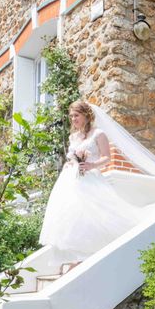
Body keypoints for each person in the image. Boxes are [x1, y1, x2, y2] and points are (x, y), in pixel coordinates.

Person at [39, 101, 140, 265]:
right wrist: (69, 163)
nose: (73, 119)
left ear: (86, 115)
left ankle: (94, 252)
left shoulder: (98, 134)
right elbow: (72, 157)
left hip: (90, 178)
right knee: (71, 215)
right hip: (70, 180)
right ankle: (76, 256)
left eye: (76, 115)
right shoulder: (73, 137)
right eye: (71, 116)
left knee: (94, 214)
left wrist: (92, 164)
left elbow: (107, 157)